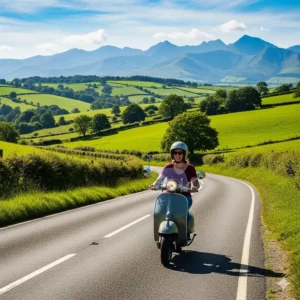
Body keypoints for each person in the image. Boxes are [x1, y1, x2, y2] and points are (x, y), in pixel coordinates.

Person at [150, 141, 200, 209]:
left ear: (185, 154)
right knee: (160, 208)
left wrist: (195, 188)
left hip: (185, 197)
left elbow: (196, 183)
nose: (177, 155)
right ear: (172, 154)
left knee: (181, 211)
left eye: (180, 153)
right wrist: (154, 184)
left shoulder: (190, 168)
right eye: (175, 153)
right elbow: (160, 178)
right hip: (169, 195)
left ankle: (185, 219)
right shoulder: (168, 167)